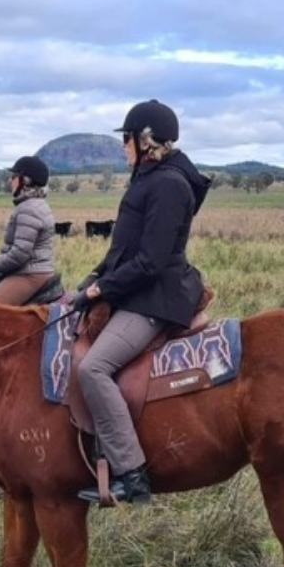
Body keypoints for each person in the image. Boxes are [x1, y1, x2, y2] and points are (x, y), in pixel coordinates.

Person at [74, 99, 211, 505]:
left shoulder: (168, 185)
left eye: (127, 139)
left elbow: (150, 261)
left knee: (94, 368)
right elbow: (124, 249)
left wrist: (104, 291)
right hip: (138, 290)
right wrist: (92, 280)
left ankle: (132, 474)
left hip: (156, 299)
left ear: (146, 141)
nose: (124, 146)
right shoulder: (150, 178)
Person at [0, 155, 57, 305]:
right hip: (33, 270)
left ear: (25, 181)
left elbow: (19, 254)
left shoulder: (28, 209)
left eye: (15, 176)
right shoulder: (36, 204)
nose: (11, 180)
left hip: (30, 274)